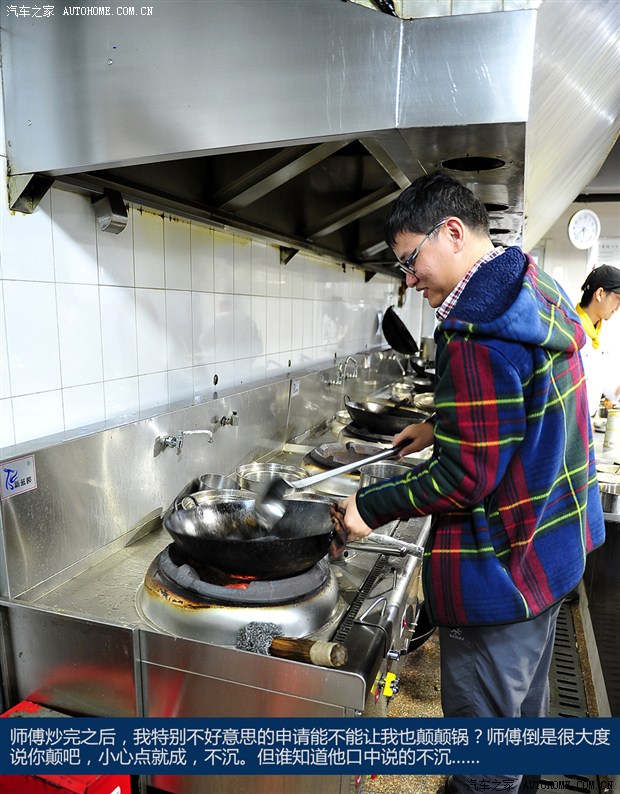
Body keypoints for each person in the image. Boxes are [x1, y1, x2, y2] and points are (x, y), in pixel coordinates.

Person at [338, 172, 605, 794]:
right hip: (550, 550)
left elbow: (464, 480)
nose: (410, 280)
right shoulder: (531, 285)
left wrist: (368, 506)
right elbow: (522, 399)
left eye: (411, 260)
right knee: (523, 724)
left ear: (452, 232)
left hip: (502, 571)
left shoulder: (475, 330)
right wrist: (442, 424)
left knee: (483, 758)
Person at [575, 264, 620, 417]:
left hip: (587, 421)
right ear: (600, 294)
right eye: (618, 298)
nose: (618, 307)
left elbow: (602, 380)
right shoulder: (570, 330)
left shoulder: (600, 334)